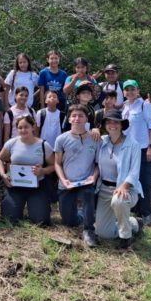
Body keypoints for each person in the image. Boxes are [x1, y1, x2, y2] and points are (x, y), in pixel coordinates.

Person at [95, 110, 144, 248]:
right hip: (104, 189)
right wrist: (93, 129)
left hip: (127, 189)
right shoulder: (102, 141)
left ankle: (126, 236)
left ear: (122, 125)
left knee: (119, 200)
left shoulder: (133, 144)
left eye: (116, 122)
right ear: (104, 125)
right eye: (108, 122)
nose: (112, 125)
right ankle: (134, 223)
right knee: (103, 233)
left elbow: (134, 172)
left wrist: (124, 186)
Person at [54, 104, 100, 247]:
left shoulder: (95, 139)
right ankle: (86, 215)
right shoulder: (61, 139)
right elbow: (57, 164)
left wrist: (94, 177)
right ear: (69, 119)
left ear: (87, 119)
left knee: (88, 194)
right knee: (68, 221)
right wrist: (63, 180)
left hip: (86, 181)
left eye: (81, 116)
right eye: (74, 115)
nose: (77, 118)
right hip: (67, 183)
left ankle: (88, 230)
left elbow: (98, 164)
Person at [0, 116, 54, 225]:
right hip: (15, 186)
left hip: (37, 186)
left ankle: (37, 208)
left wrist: (42, 171)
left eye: (26, 127)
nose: (23, 130)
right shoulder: (12, 143)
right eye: (20, 128)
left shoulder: (43, 145)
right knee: (8, 220)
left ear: (33, 127)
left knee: (41, 222)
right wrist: (3, 174)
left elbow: (53, 165)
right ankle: (17, 209)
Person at [121, 80, 151, 225]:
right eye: (127, 89)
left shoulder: (145, 105)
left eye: (132, 89)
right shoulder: (124, 106)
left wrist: (150, 146)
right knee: (130, 181)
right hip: (128, 149)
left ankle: (147, 213)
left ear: (138, 90)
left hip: (143, 148)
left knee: (145, 181)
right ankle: (134, 210)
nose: (130, 92)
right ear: (123, 92)